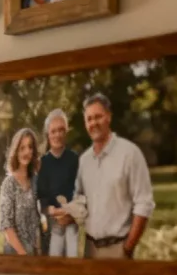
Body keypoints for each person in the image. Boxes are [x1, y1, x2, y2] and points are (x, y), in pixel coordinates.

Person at [75, 92, 155, 259]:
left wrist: (127, 248)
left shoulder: (130, 154)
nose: (93, 123)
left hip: (118, 249)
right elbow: (77, 201)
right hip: (89, 250)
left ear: (108, 117)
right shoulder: (84, 161)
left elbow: (144, 204)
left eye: (98, 117)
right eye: (89, 119)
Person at [37, 108, 80, 257]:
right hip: (52, 222)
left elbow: (81, 192)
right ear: (48, 134)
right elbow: (41, 199)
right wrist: (54, 212)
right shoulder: (42, 163)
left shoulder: (74, 159)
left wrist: (70, 213)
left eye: (61, 130)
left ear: (66, 133)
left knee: (72, 260)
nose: (57, 135)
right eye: (53, 131)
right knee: (55, 261)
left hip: (72, 220)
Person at [0, 128, 41, 255]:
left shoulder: (35, 181)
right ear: (16, 151)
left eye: (30, 147)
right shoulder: (8, 184)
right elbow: (7, 227)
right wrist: (24, 255)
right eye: (22, 148)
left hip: (35, 253)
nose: (27, 151)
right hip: (15, 253)